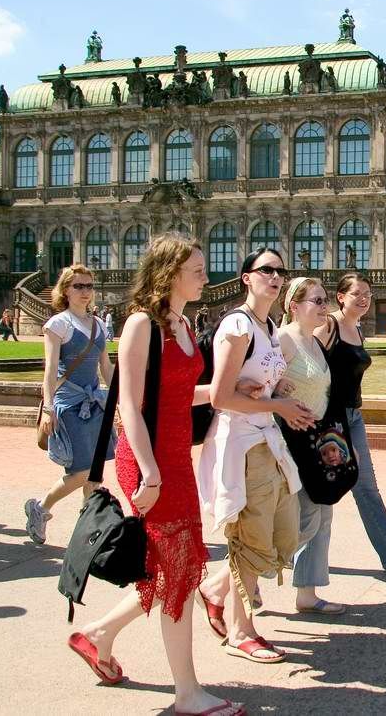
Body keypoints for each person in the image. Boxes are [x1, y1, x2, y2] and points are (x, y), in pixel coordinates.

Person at [69, 233, 246, 716]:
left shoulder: (184, 324)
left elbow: (177, 394)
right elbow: (128, 402)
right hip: (147, 460)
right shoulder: (141, 325)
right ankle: (187, 694)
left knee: (175, 570)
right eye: (197, 269)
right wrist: (148, 472)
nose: (206, 276)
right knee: (177, 572)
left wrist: (228, 389)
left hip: (174, 458)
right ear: (168, 273)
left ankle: (98, 634)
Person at [197, 249, 313, 664]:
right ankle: (241, 631)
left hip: (266, 439)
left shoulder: (266, 324)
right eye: (266, 270)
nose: (276, 276)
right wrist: (278, 408)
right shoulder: (238, 324)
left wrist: (280, 400)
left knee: (287, 532)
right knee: (252, 536)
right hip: (241, 445)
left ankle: (215, 587)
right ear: (246, 277)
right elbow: (221, 396)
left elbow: (249, 388)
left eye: (280, 271)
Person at [315, 273, 386, 575]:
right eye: (357, 293)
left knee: (366, 486)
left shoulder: (356, 329)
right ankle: (273, 554)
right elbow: (302, 358)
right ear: (340, 297)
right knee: (316, 492)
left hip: (354, 415)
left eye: (367, 293)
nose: (364, 298)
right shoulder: (329, 326)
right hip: (329, 419)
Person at [24, 265, 114, 545]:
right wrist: (49, 409)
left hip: (94, 403)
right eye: (79, 286)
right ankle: (40, 508)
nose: (85, 292)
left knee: (94, 474)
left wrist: (121, 400)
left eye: (89, 286)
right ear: (65, 290)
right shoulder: (58, 324)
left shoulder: (98, 325)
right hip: (69, 404)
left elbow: (106, 367)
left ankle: (86, 532)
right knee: (81, 471)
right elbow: (50, 370)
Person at [280, 277, 349, 615]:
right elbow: (261, 389)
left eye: (325, 301)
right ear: (294, 305)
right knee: (307, 517)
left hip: (317, 441)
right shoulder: (283, 341)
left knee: (323, 515)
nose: (324, 307)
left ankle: (307, 593)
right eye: (317, 301)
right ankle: (235, 578)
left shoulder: (314, 343)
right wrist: (282, 404)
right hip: (291, 442)